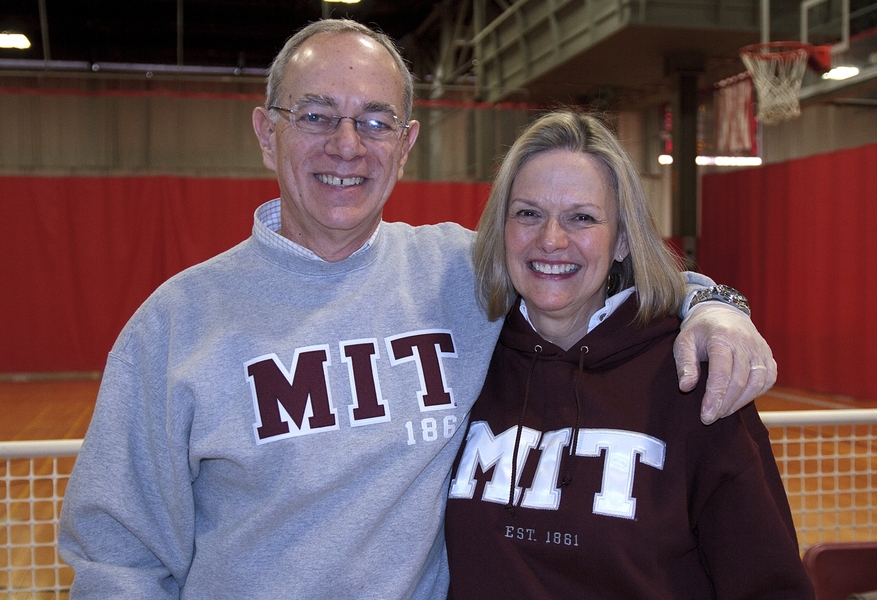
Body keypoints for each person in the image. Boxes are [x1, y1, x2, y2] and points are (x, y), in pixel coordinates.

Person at [58, 19, 776, 599]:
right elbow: (118, 559)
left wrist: (716, 305)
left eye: (375, 121)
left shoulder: (458, 273)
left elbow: (582, 265)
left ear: (404, 146)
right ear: (266, 131)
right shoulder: (176, 324)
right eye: (317, 114)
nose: (347, 145)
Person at [444, 110, 813, 599]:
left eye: (582, 218)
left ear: (621, 240)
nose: (551, 239)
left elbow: (769, 585)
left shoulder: (689, 376)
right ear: (502, 228)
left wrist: (713, 305)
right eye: (528, 213)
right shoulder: (466, 362)